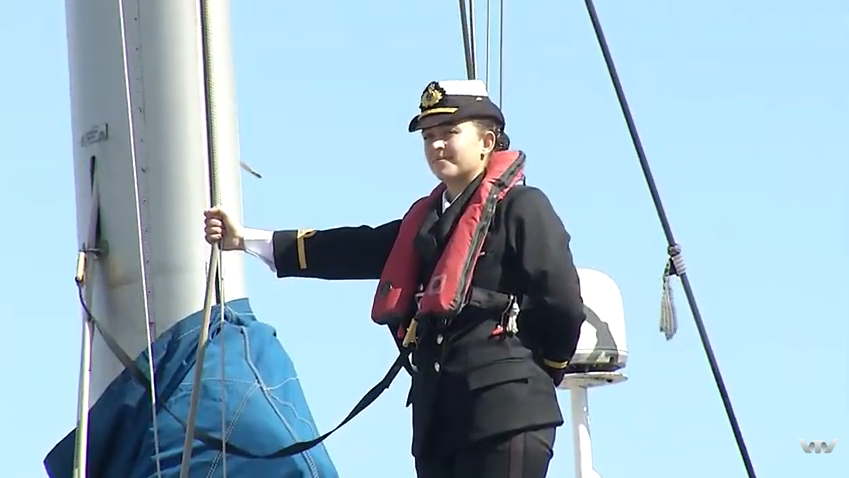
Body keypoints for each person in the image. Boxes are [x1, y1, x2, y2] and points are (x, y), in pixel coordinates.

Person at [203, 79, 587, 478]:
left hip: (506, 411)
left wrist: (541, 369)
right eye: (429, 137)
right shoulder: (424, 224)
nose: (437, 145)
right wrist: (244, 239)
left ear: (487, 142)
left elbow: (560, 302)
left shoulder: (523, 207)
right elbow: (349, 248)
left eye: (449, 133)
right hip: (438, 426)